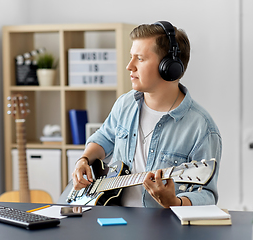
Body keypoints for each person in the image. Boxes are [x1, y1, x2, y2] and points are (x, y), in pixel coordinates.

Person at [72, 21, 222, 208]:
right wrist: (84, 159)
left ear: (169, 67)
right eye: (131, 57)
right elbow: (104, 137)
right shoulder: (125, 104)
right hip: (113, 221)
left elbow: (207, 195)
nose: (129, 66)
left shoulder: (202, 128)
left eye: (140, 59)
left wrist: (174, 202)